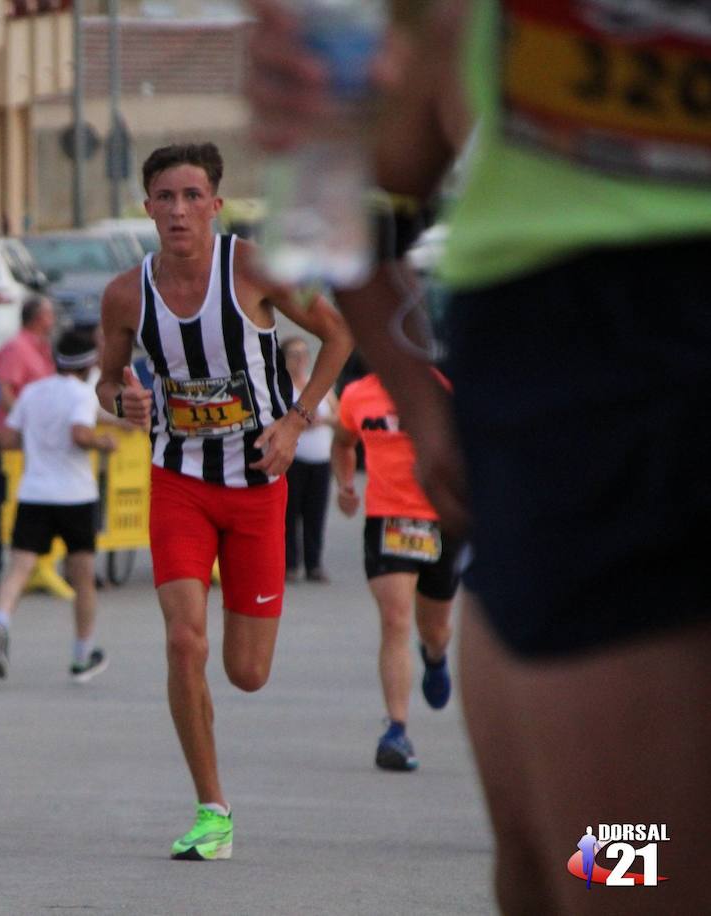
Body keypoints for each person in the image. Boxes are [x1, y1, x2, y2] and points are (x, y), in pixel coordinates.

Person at [251, 1, 711, 910]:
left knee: (628, 869)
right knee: (557, 860)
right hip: (582, 399)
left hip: (619, 394)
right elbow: (336, 179)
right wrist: (423, 408)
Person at [96, 142, 352, 861]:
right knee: (184, 641)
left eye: (191, 196)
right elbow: (106, 380)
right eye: (164, 198)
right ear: (146, 207)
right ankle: (213, 810)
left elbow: (338, 334)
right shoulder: (126, 293)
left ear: (215, 203)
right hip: (178, 481)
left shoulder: (253, 269)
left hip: (256, 487)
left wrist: (297, 418)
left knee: (246, 672)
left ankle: (217, 785)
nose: (178, 210)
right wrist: (123, 398)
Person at [332, 370, 458, 771]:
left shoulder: (440, 387)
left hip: (439, 520)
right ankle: (397, 731)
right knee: (395, 618)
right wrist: (346, 484)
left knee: (434, 628)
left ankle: (435, 657)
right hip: (388, 520)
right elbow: (343, 443)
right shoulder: (356, 394)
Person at [0, 330, 118, 683]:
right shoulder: (81, 394)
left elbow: (10, 439)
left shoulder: (33, 391)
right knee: (83, 579)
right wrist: (103, 443)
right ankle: (81, 656)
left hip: (34, 492)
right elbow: (79, 433)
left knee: (19, 568)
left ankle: (0, 621)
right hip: (75, 495)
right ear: (89, 362)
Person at [0, 295, 56, 591]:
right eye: (50, 314)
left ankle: (36, 565)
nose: (53, 320)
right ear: (38, 318)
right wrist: (24, 422)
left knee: (31, 501)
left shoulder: (42, 349)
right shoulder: (17, 348)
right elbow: (3, 388)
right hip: (12, 439)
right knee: (4, 502)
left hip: (36, 442)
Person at [282, 336, 336, 583]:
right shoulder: (283, 387)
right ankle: (290, 563)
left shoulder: (319, 385)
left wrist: (321, 420)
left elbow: (339, 416)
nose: (300, 359)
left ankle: (314, 563)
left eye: (303, 353)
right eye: (294, 354)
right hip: (294, 457)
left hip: (321, 458)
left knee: (316, 512)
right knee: (290, 512)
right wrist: (299, 422)